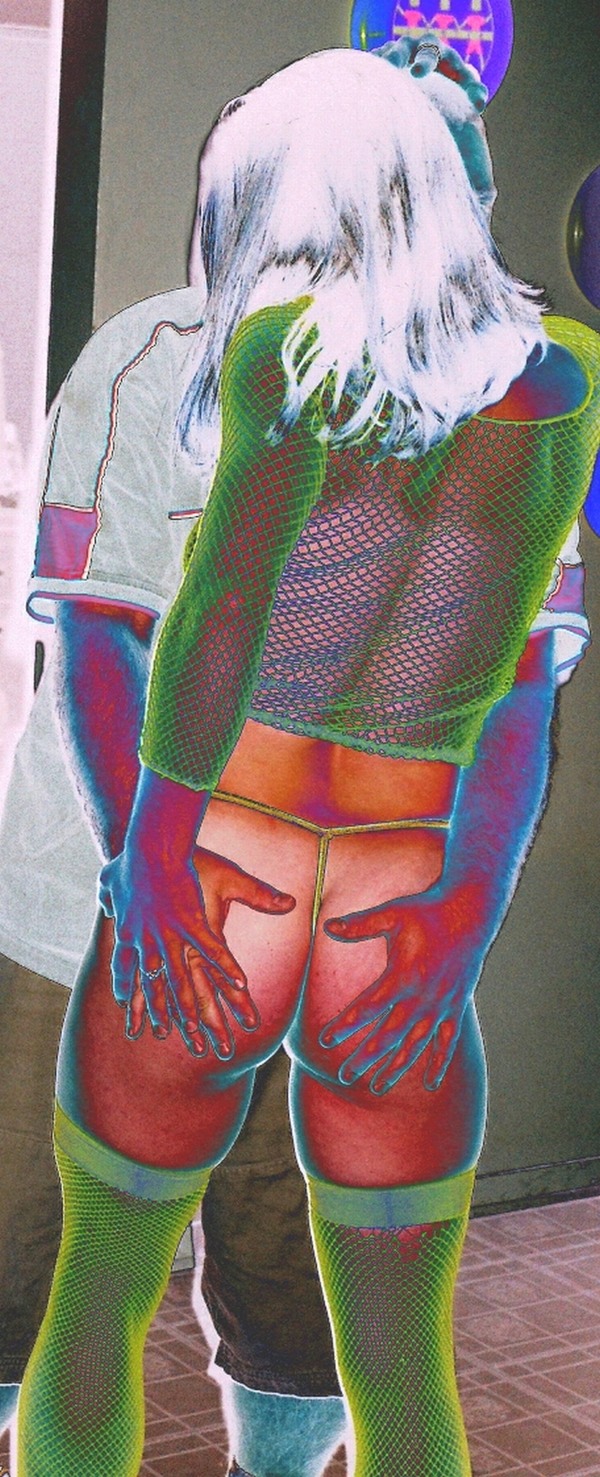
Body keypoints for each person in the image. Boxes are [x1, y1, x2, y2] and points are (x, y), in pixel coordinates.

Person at [17, 43, 599, 1477]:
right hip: (379, 885)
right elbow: (518, 698)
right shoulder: (563, 381)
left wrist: (159, 857)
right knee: (401, 1371)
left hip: (228, 849)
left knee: (105, 1296)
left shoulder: (275, 354)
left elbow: (215, 623)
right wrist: (459, 919)